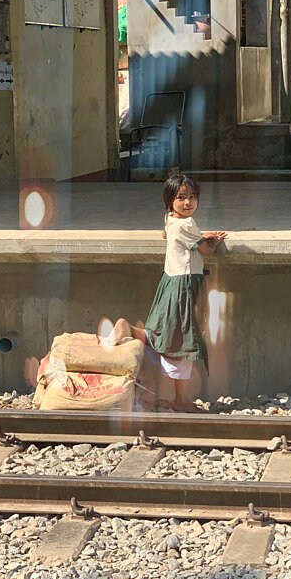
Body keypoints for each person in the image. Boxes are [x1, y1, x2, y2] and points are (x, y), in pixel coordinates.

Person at [103, 174, 226, 413]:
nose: (188, 202)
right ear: (170, 200)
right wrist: (214, 240)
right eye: (181, 198)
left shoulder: (170, 219)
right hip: (185, 287)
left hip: (170, 283)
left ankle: (128, 329)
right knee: (181, 342)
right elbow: (207, 251)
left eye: (192, 197)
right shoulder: (187, 224)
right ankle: (181, 400)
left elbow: (165, 234)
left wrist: (201, 235)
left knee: (166, 335)